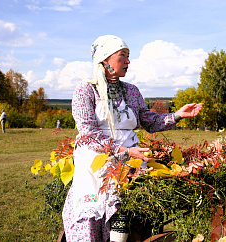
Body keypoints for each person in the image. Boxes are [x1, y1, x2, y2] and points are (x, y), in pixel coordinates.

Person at [62, 35, 203, 242]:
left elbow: (150, 121)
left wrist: (179, 115)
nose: (128, 61)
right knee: (93, 211)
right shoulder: (86, 90)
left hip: (132, 159)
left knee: (127, 207)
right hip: (96, 161)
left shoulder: (132, 91)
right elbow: (88, 133)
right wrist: (123, 152)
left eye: (128, 56)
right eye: (123, 56)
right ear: (105, 59)